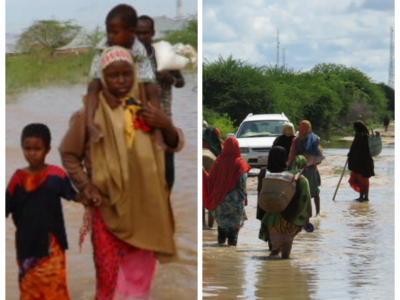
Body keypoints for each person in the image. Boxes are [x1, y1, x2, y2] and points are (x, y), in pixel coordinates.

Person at [59, 46, 184, 300]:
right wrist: (85, 185)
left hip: (146, 209)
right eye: (113, 75)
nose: (121, 81)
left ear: (135, 74)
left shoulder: (146, 112)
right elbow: (69, 153)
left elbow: (174, 144)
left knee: (139, 280)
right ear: (103, 78)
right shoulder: (88, 116)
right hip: (106, 208)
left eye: (126, 74)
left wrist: (166, 124)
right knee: (108, 279)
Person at [6, 123, 78, 300]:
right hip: (27, 246)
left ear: (47, 149)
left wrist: (93, 195)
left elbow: (75, 197)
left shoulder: (57, 175)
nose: (32, 153)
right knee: (30, 290)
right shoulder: (17, 179)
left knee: (55, 288)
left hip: (53, 245)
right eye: (27, 148)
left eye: (37, 148)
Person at [86, 4, 159, 141]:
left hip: (134, 84)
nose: (110, 36)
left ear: (131, 32)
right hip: (107, 85)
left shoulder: (138, 49)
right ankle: (90, 123)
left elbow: (144, 80)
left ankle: (154, 121)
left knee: (153, 87)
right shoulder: (104, 46)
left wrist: (143, 110)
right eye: (108, 32)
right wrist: (106, 93)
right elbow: (97, 76)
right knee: (92, 86)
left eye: (115, 32)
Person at [137, 15, 185, 191]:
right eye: (138, 33)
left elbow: (181, 82)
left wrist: (169, 78)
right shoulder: (131, 57)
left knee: (167, 169)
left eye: (145, 33)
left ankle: (165, 201)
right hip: (138, 119)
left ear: (152, 33)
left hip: (163, 117)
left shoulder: (164, 56)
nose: (141, 37)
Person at [258, 151, 311, 259]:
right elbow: (305, 201)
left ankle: (268, 272)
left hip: (271, 218)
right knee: (285, 257)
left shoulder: (278, 177)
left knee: (274, 251)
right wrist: (305, 220)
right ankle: (284, 272)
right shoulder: (302, 180)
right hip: (288, 220)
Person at [203, 137, 251, 246]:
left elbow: (211, 180)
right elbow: (243, 182)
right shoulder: (240, 163)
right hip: (235, 204)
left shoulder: (218, 161)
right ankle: (232, 255)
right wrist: (244, 196)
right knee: (233, 233)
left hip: (219, 203)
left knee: (221, 228)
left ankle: (221, 245)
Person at [288, 120, 321, 216]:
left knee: (302, 193)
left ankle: (304, 214)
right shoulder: (315, 139)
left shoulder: (296, 140)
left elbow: (292, 155)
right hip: (311, 169)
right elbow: (318, 156)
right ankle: (318, 213)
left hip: (300, 169)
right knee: (315, 192)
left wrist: (290, 167)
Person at [347, 121, 375, 201]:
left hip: (364, 162)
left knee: (364, 179)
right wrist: (350, 154)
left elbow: (362, 150)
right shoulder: (358, 135)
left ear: (358, 128)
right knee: (358, 179)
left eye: (355, 128)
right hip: (357, 162)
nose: (354, 129)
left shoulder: (364, 136)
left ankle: (366, 197)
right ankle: (361, 196)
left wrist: (353, 154)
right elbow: (354, 148)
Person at [202, 126, 224, 228]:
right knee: (212, 202)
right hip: (214, 177)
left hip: (201, 174)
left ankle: (202, 224)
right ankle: (210, 227)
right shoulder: (219, 146)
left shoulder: (201, 143)